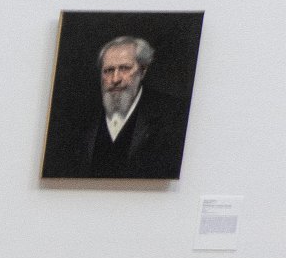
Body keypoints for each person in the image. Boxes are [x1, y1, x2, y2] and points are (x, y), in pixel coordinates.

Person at [43, 34, 189, 179]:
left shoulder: (173, 114)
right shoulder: (80, 117)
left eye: (125, 68)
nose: (115, 79)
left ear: (142, 71)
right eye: (108, 71)